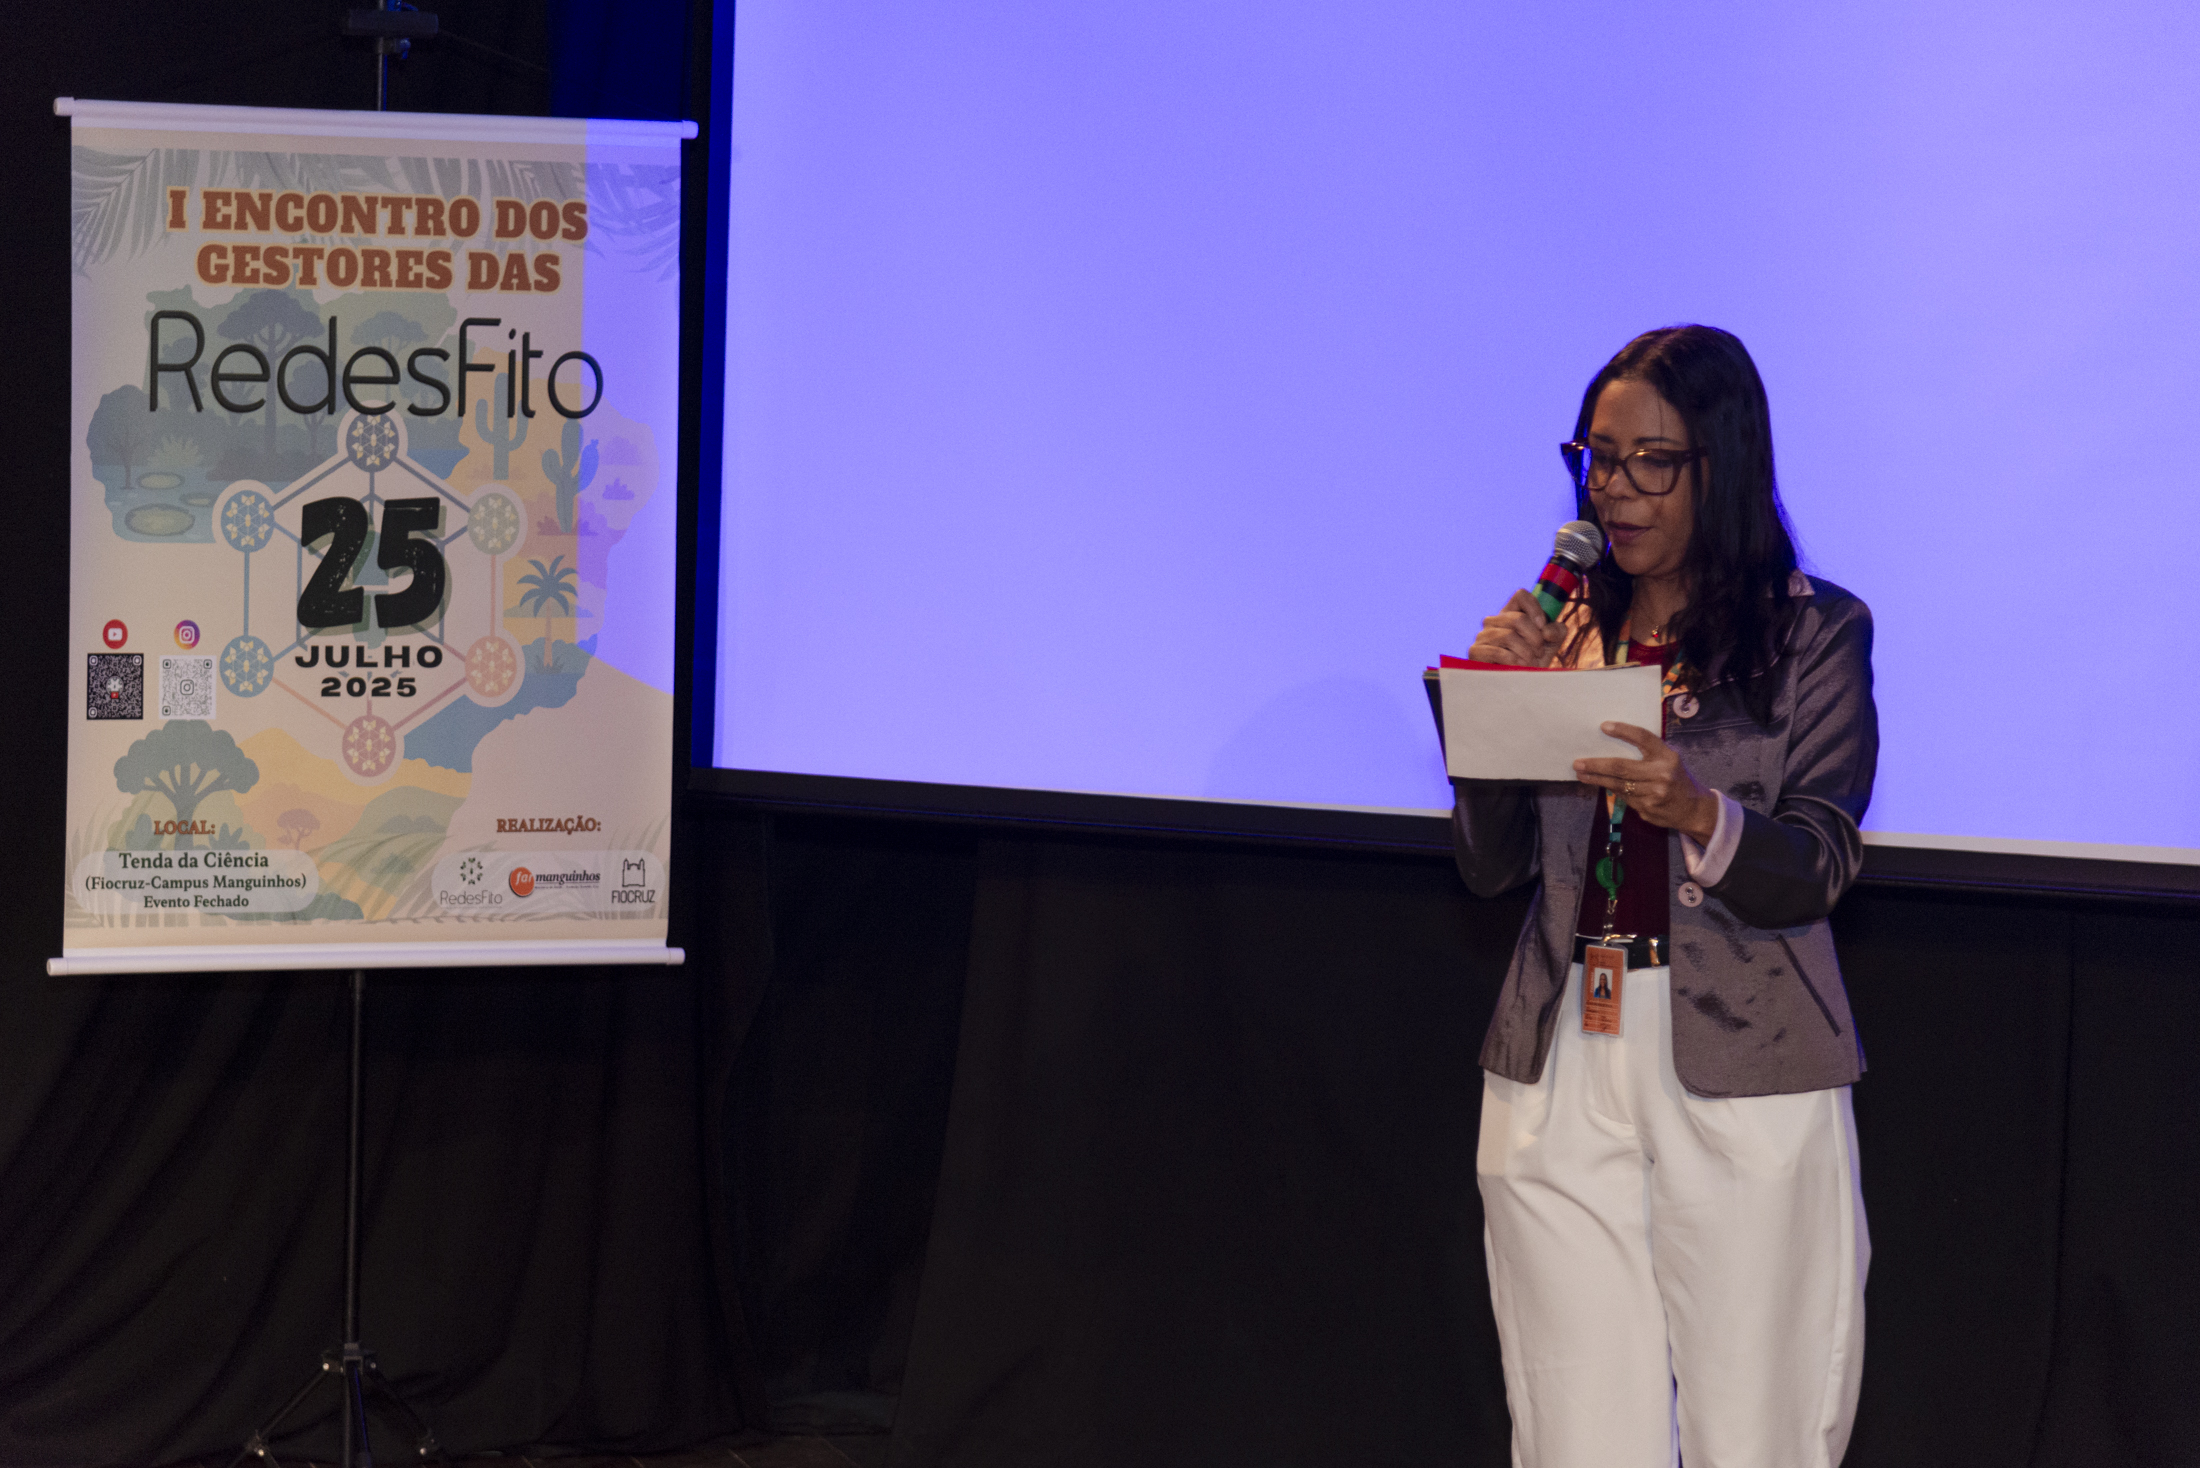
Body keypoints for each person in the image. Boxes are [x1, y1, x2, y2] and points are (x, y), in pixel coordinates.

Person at [1454, 325, 1876, 1468]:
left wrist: (1699, 811)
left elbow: (1820, 860)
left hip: (1745, 1051)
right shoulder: (1563, 629)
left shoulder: (1811, 632)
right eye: (1597, 458)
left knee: (1760, 1422)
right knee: (1573, 1427)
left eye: (1651, 461)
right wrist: (1492, 709)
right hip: (1559, 1047)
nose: (1614, 488)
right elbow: (1488, 867)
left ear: (1720, 466)